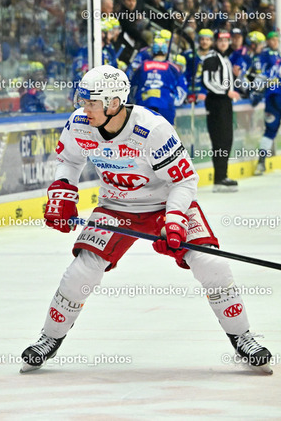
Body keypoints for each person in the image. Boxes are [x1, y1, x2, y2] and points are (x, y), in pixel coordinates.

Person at [20, 64, 272, 375]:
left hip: (166, 204)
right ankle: (49, 338)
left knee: (212, 265)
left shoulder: (152, 129)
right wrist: (63, 191)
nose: (84, 109)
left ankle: (243, 337)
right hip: (116, 206)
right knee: (80, 272)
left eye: (91, 102)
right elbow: (69, 160)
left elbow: (185, 181)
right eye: (82, 101)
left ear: (114, 103)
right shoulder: (80, 124)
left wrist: (175, 220)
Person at [201, 30, 241, 192]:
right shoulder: (212, 58)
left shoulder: (224, 58)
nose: (223, 43)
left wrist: (234, 77)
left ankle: (222, 176)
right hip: (216, 102)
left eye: (226, 41)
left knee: (226, 139)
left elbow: (222, 81)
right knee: (220, 139)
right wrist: (226, 92)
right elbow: (207, 81)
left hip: (224, 102)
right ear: (215, 42)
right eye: (220, 41)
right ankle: (219, 178)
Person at [130, 37, 187, 125]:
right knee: (166, 132)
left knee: (144, 132)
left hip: (144, 103)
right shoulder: (172, 68)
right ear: (166, 52)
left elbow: (133, 86)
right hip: (165, 104)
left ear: (152, 51)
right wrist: (175, 101)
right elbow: (182, 87)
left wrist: (134, 101)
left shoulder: (142, 66)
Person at [252, 31, 281, 175]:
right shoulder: (265, 55)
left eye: (276, 39)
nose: (274, 42)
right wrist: (257, 91)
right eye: (272, 39)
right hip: (273, 97)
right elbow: (259, 75)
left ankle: (261, 163)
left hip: (272, 97)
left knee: (270, 131)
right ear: (267, 42)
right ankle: (261, 162)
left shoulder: (277, 55)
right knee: (270, 130)